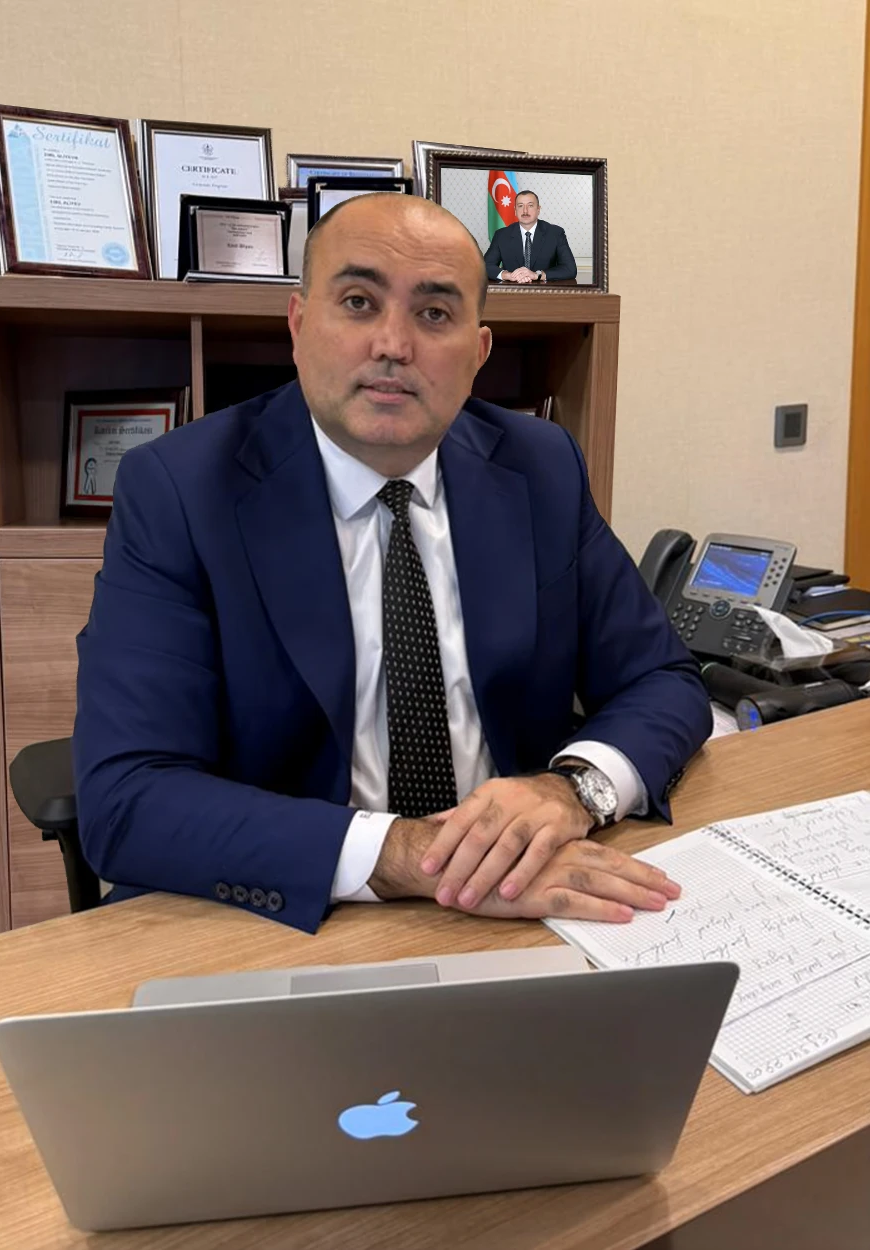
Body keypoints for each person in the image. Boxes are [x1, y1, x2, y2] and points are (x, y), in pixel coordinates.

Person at [73, 193, 709, 934]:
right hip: (295, 914)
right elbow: (128, 797)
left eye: (435, 314)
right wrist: (411, 855)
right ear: (298, 324)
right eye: (358, 302)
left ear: (478, 352)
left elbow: (662, 679)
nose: (393, 344)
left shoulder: (539, 467)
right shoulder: (181, 490)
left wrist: (573, 791)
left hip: (518, 900)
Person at [484, 190, 577, 283]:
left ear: (538, 209)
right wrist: (508, 275)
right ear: (515, 210)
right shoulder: (501, 235)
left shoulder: (555, 233)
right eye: (520, 206)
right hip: (512, 289)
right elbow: (485, 266)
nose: (525, 211)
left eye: (530, 205)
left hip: (545, 290)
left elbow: (570, 269)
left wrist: (537, 275)